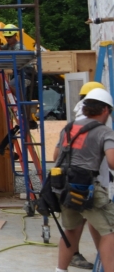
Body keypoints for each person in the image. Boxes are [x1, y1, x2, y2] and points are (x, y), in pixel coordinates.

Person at [56, 88, 114, 272]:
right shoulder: (104, 131)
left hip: (63, 187)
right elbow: (112, 162)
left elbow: (56, 155)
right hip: (86, 188)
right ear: (105, 110)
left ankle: (60, 270)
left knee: (71, 230)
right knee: (110, 231)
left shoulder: (68, 128)